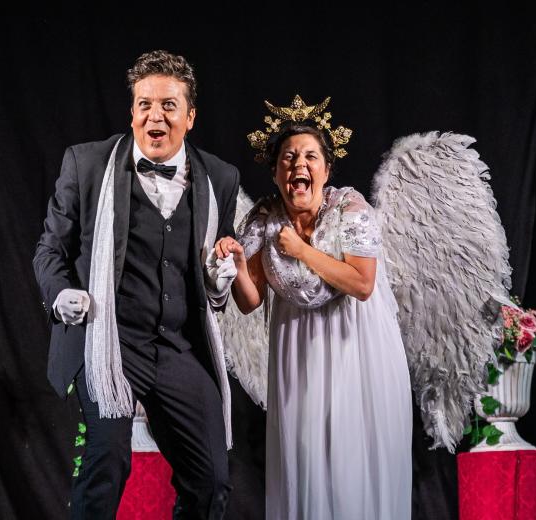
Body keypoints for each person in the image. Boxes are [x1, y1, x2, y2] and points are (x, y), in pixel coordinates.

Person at [34, 50, 240, 520]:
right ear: (132, 111)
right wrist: (60, 293)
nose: (155, 116)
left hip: (177, 345)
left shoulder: (220, 178)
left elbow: (214, 274)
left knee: (211, 480)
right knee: (107, 461)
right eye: (144, 104)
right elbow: (50, 250)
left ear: (190, 116)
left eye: (168, 105)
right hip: (107, 340)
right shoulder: (87, 164)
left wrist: (219, 276)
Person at [215, 105, 413, 519]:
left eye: (309, 156)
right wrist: (237, 265)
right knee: (305, 457)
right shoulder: (263, 220)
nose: (298, 165)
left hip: (355, 347)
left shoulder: (350, 210)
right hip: (299, 352)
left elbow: (362, 284)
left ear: (326, 170)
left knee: (350, 456)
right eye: (288, 158)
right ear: (276, 173)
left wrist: (302, 251)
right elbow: (250, 302)